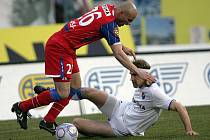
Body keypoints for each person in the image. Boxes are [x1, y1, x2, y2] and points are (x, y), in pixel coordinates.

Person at [11, 0, 155, 134]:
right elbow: (117, 54)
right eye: (129, 20)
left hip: (67, 47)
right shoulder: (109, 23)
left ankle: (48, 119)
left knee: (75, 87)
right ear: (122, 13)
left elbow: (97, 28)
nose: (129, 24)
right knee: (63, 93)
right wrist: (137, 71)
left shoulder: (107, 8)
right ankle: (22, 107)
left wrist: (122, 46)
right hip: (59, 48)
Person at [71, 59, 199, 137]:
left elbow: (179, 106)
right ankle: (60, 94)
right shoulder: (141, 85)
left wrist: (189, 130)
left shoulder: (155, 93)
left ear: (145, 75)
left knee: (77, 123)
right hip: (119, 107)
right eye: (131, 74)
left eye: (134, 75)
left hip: (122, 128)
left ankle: (97, 132)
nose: (131, 78)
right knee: (89, 92)